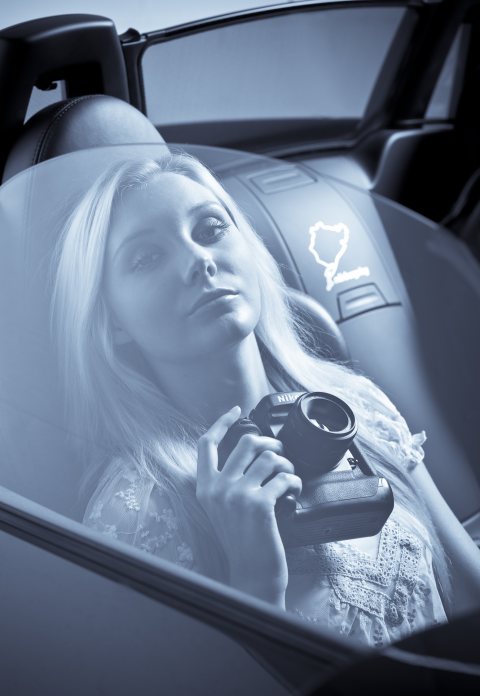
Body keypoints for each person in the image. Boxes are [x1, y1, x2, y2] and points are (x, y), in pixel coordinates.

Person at [51, 151, 480, 648]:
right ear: (113, 324)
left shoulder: (355, 403)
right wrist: (254, 582)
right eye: (146, 258)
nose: (199, 261)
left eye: (210, 229)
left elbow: (469, 595)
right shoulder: (138, 513)